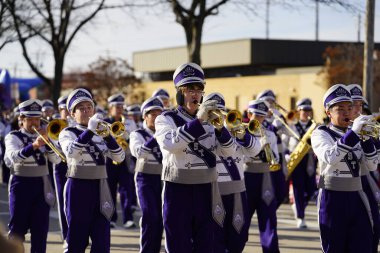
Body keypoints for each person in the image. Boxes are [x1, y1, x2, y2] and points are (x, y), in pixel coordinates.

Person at [155, 62, 236, 253]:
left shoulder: (211, 120)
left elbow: (229, 152)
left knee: (206, 244)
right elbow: (169, 143)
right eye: (189, 89)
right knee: (178, 243)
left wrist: (221, 130)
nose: (195, 94)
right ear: (179, 94)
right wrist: (199, 120)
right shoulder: (166, 119)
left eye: (199, 90)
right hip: (177, 190)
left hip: (206, 189)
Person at [311, 84, 378, 253]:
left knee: (362, 246)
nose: (347, 112)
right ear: (328, 112)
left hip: (357, 196)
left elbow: (372, 165)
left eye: (349, 108)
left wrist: (367, 139)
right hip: (332, 198)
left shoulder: (356, 132)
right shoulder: (321, 133)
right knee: (334, 247)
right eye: (340, 108)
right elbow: (330, 157)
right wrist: (354, 134)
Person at [59, 88, 125, 252]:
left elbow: (120, 157)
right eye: (81, 108)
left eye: (89, 107)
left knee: (102, 242)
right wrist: (89, 131)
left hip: (101, 188)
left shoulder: (102, 132)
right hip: (77, 188)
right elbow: (71, 153)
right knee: (76, 240)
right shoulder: (68, 132)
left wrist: (108, 136)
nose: (86, 111)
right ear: (72, 114)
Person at [4, 99, 59, 253]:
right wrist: (34, 145)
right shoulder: (13, 137)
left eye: (37, 119)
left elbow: (56, 159)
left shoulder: (46, 137)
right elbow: (11, 159)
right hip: (21, 185)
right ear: (21, 120)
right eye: (30, 119)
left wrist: (49, 144)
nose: (35, 123)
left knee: (40, 232)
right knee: (17, 231)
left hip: (41, 186)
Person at [209, 93, 261, 253]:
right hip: (212, 192)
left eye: (220, 112)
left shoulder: (236, 132)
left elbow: (255, 151)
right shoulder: (203, 133)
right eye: (213, 112)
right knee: (214, 236)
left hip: (237, 192)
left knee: (239, 236)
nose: (217, 116)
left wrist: (244, 135)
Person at [244, 99, 280, 253]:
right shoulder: (241, 132)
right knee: (241, 219)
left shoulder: (270, 134)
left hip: (265, 178)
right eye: (255, 115)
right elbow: (239, 157)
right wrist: (257, 149)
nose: (258, 119)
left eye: (261, 116)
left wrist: (268, 150)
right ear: (249, 114)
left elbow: (276, 159)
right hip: (246, 177)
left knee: (268, 218)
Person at [129, 96, 164, 253]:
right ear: (145, 116)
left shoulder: (166, 133)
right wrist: (156, 137)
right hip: (146, 179)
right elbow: (139, 152)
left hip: (165, 178)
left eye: (159, 114)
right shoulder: (137, 134)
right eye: (153, 114)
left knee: (164, 219)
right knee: (151, 217)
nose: (157, 117)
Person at [348, 83, 380, 253]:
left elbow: (374, 163)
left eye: (360, 105)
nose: (357, 109)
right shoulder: (336, 130)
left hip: (367, 183)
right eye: (353, 105)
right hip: (344, 186)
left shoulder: (368, 128)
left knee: (373, 227)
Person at [104, 93, 138, 229]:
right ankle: (112, 218)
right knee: (110, 189)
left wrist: (126, 136)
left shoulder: (129, 122)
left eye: (121, 106)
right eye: (116, 107)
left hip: (124, 158)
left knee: (126, 190)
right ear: (110, 107)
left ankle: (128, 218)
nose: (119, 109)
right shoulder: (105, 122)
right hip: (110, 159)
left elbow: (135, 137)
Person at [287, 98, 317, 228]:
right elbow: (284, 141)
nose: (306, 112)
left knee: (311, 190)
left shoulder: (315, 126)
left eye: (308, 110)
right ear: (298, 111)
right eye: (303, 110)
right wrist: (287, 155)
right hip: (296, 159)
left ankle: (298, 206)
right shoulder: (292, 126)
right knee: (298, 188)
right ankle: (300, 217)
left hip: (310, 159)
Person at [257, 90, 287, 208]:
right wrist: (274, 125)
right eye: (267, 101)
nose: (270, 103)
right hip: (264, 157)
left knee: (281, 188)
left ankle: (272, 208)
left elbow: (290, 133)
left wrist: (282, 119)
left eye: (272, 101)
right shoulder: (259, 119)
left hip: (279, 155)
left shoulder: (278, 116)